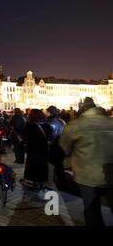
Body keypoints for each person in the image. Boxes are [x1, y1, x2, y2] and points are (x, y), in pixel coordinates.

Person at [60, 97, 113, 226]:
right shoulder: (110, 122)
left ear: (82, 109)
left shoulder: (75, 125)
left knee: (91, 209)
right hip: (111, 172)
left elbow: (64, 146)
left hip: (87, 174)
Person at [22, 109, 51, 191]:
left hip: (33, 149)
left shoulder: (30, 125)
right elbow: (49, 136)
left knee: (32, 166)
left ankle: (33, 183)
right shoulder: (46, 125)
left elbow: (25, 136)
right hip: (43, 149)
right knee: (42, 165)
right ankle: (41, 181)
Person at [46, 105, 66, 190]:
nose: (45, 113)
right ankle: (62, 182)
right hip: (61, 146)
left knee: (50, 164)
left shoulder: (48, 122)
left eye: (47, 112)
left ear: (50, 112)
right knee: (59, 165)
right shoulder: (62, 121)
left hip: (52, 146)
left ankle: (49, 182)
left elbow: (48, 136)